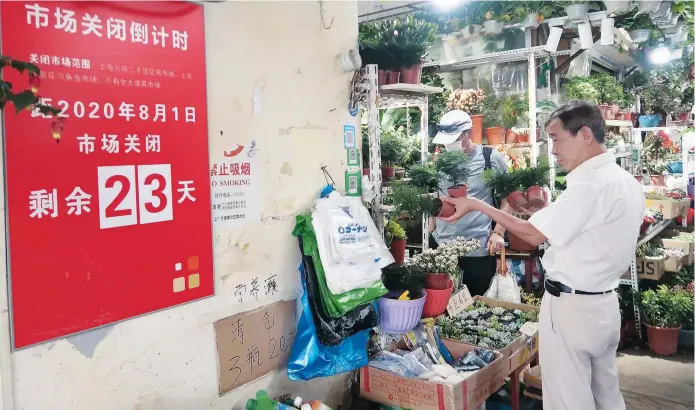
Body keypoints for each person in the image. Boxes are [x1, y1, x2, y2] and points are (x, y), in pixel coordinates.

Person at [439, 101, 644, 410]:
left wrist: (477, 205)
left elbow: (533, 235)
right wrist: (535, 213)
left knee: (568, 400)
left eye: (556, 138)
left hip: (573, 309)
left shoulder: (589, 185)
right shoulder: (624, 182)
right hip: (602, 305)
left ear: (585, 134)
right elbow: (584, 233)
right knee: (606, 395)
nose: (553, 149)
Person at [430, 110, 509, 296]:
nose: (450, 145)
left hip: (477, 250)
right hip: (443, 248)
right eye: (446, 140)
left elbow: (509, 199)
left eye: (455, 139)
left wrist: (498, 232)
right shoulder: (441, 162)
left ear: (470, 134)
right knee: (442, 308)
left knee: (474, 308)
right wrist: (431, 227)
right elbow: (437, 196)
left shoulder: (490, 158)